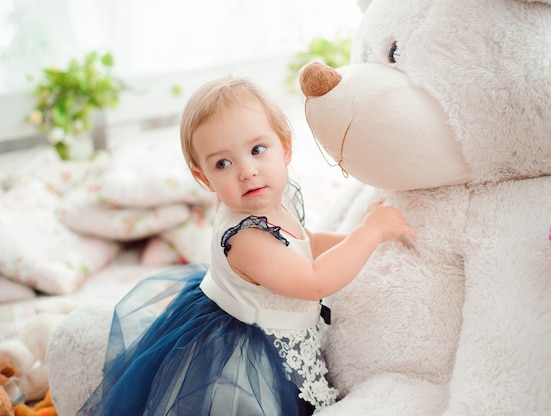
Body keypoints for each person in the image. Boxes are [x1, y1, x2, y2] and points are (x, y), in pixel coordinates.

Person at [78, 76, 415, 416]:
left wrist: (362, 243)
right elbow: (314, 281)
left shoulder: (273, 201)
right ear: (203, 178)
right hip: (248, 355)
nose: (247, 172)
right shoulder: (246, 238)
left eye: (257, 150)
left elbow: (305, 243)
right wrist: (368, 233)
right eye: (223, 163)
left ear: (285, 148)